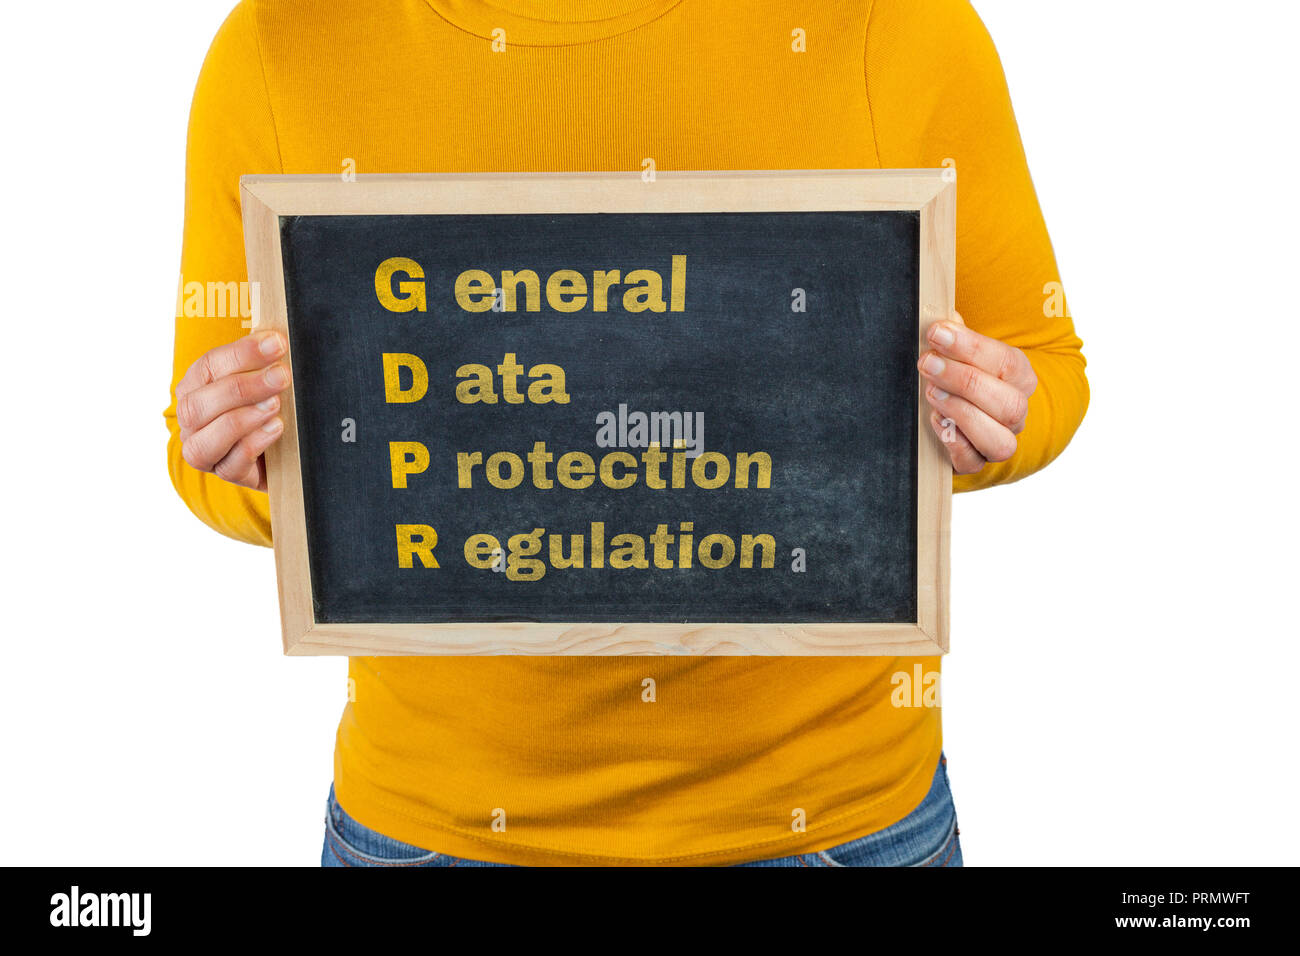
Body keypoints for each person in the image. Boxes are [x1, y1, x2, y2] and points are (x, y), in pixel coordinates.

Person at [167, 0, 1087, 867]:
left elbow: (1044, 367)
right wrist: (256, 461)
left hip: (835, 822)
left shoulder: (889, 22)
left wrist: (983, 415)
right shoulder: (282, 40)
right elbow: (205, 444)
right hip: (432, 827)